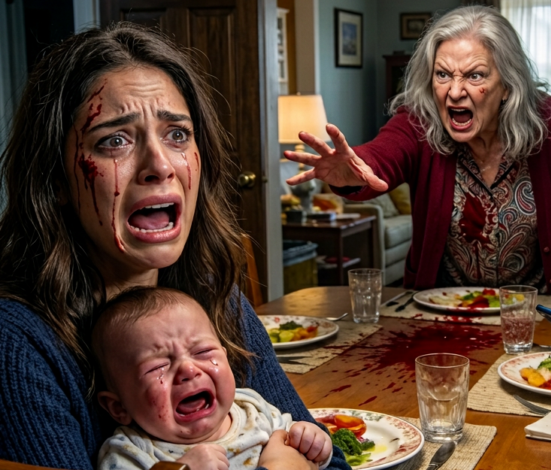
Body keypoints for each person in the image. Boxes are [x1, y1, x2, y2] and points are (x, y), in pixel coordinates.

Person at [0, 23, 349, 470]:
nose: (159, 165)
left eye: (177, 134)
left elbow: (326, 458)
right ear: (55, 180)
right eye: (114, 140)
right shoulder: (18, 346)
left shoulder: (213, 297)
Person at [284, 6, 551, 294]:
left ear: (507, 85)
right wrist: (354, 171)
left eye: (475, 76)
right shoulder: (419, 123)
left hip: (535, 308)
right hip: (441, 309)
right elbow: (384, 152)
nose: (455, 91)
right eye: (443, 74)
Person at [93, 287, 332, 470]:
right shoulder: (131, 451)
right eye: (158, 367)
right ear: (118, 406)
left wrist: (314, 442)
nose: (188, 369)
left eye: (202, 352)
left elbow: (307, 457)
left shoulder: (253, 408)